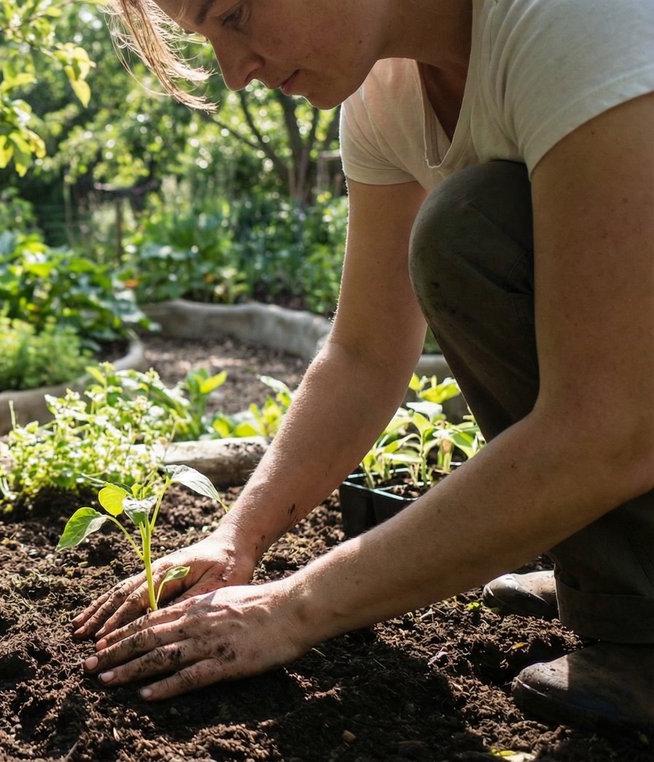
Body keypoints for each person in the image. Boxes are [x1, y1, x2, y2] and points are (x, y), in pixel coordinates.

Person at [73, 0, 654, 731]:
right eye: (206, 36)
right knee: (469, 239)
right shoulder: (387, 93)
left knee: (471, 225)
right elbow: (366, 352)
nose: (234, 73)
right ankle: (622, 579)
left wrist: (297, 606)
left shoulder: (573, 19)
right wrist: (239, 537)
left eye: (237, 12)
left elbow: (610, 426)